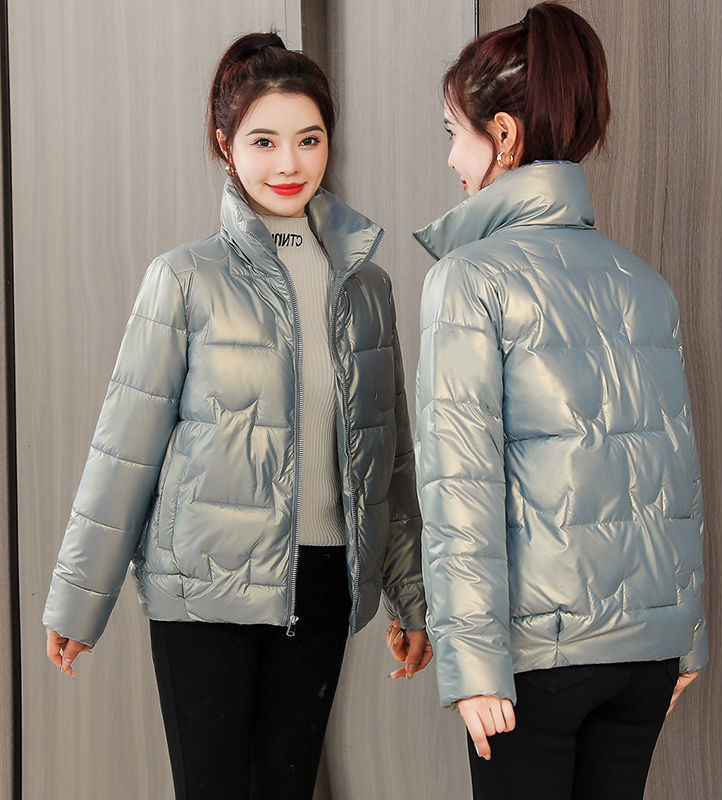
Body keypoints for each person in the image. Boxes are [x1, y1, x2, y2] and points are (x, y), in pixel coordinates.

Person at [43, 32, 430, 800]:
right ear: (226, 145)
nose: (289, 163)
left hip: (321, 587)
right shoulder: (183, 278)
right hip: (203, 593)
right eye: (264, 141)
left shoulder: (369, 288)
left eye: (308, 139)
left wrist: (410, 596)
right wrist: (79, 597)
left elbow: (390, 461)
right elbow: (126, 448)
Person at [413, 4, 708, 799]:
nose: (451, 158)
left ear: (503, 136)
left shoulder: (468, 280)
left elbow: (459, 484)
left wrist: (473, 665)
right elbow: (673, 471)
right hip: (645, 657)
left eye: (454, 133)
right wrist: (685, 634)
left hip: (534, 665)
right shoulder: (644, 283)